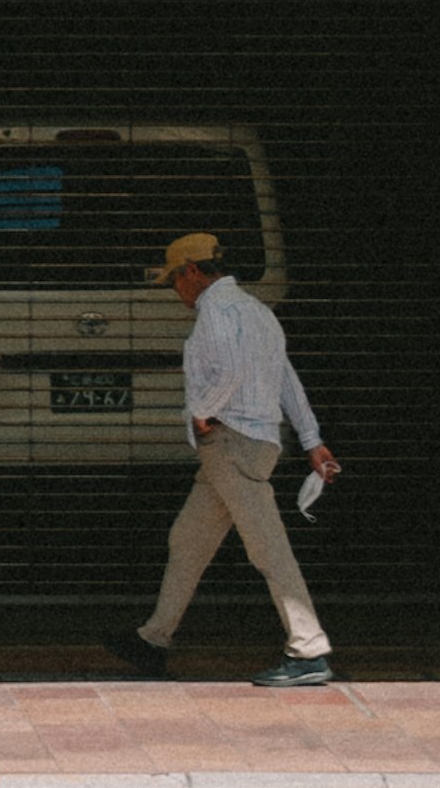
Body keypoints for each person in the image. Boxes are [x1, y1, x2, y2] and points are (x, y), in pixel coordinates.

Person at [114, 227, 340, 685]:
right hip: (249, 445)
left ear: (192, 272)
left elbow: (233, 372)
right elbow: (286, 378)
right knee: (188, 540)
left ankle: (308, 649)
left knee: (269, 550)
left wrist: (202, 411)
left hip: (231, 444)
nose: (175, 290)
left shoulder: (216, 310)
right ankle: (153, 638)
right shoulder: (258, 311)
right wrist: (312, 439)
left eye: (175, 280)